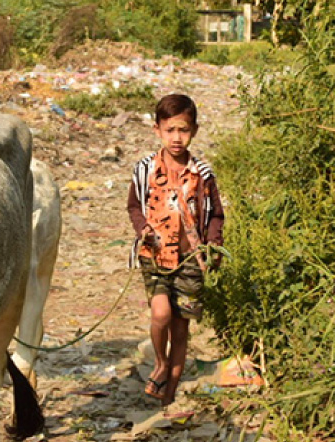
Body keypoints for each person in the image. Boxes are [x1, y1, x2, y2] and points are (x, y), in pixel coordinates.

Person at [127, 94, 224, 407]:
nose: (177, 138)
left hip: (191, 261)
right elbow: (133, 206)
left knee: (181, 330)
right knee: (161, 313)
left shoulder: (203, 174)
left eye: (183, 130)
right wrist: (142, 228)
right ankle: (160, 362)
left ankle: (168, 397)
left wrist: (214, 243)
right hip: (155, 257)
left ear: (194, 130)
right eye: (170, 130)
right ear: (157, 130)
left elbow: (216, 213)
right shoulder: (144, 170)